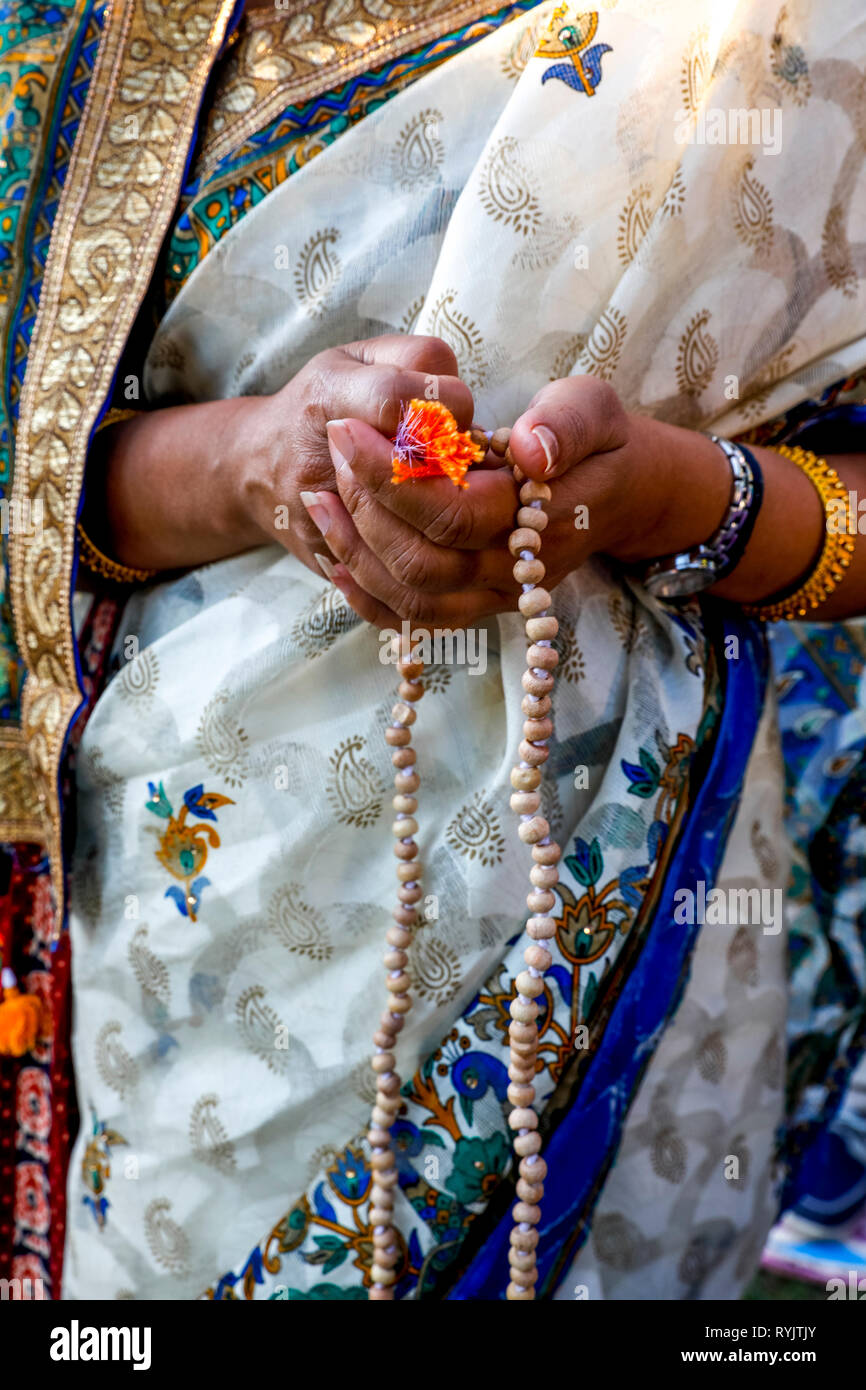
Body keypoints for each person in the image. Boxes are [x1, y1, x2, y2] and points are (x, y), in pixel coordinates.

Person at [1, 0, 864, 1300]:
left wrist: (682, 499)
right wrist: (251, 464)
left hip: (625, 870)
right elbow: (34, 449)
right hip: (176, 907)